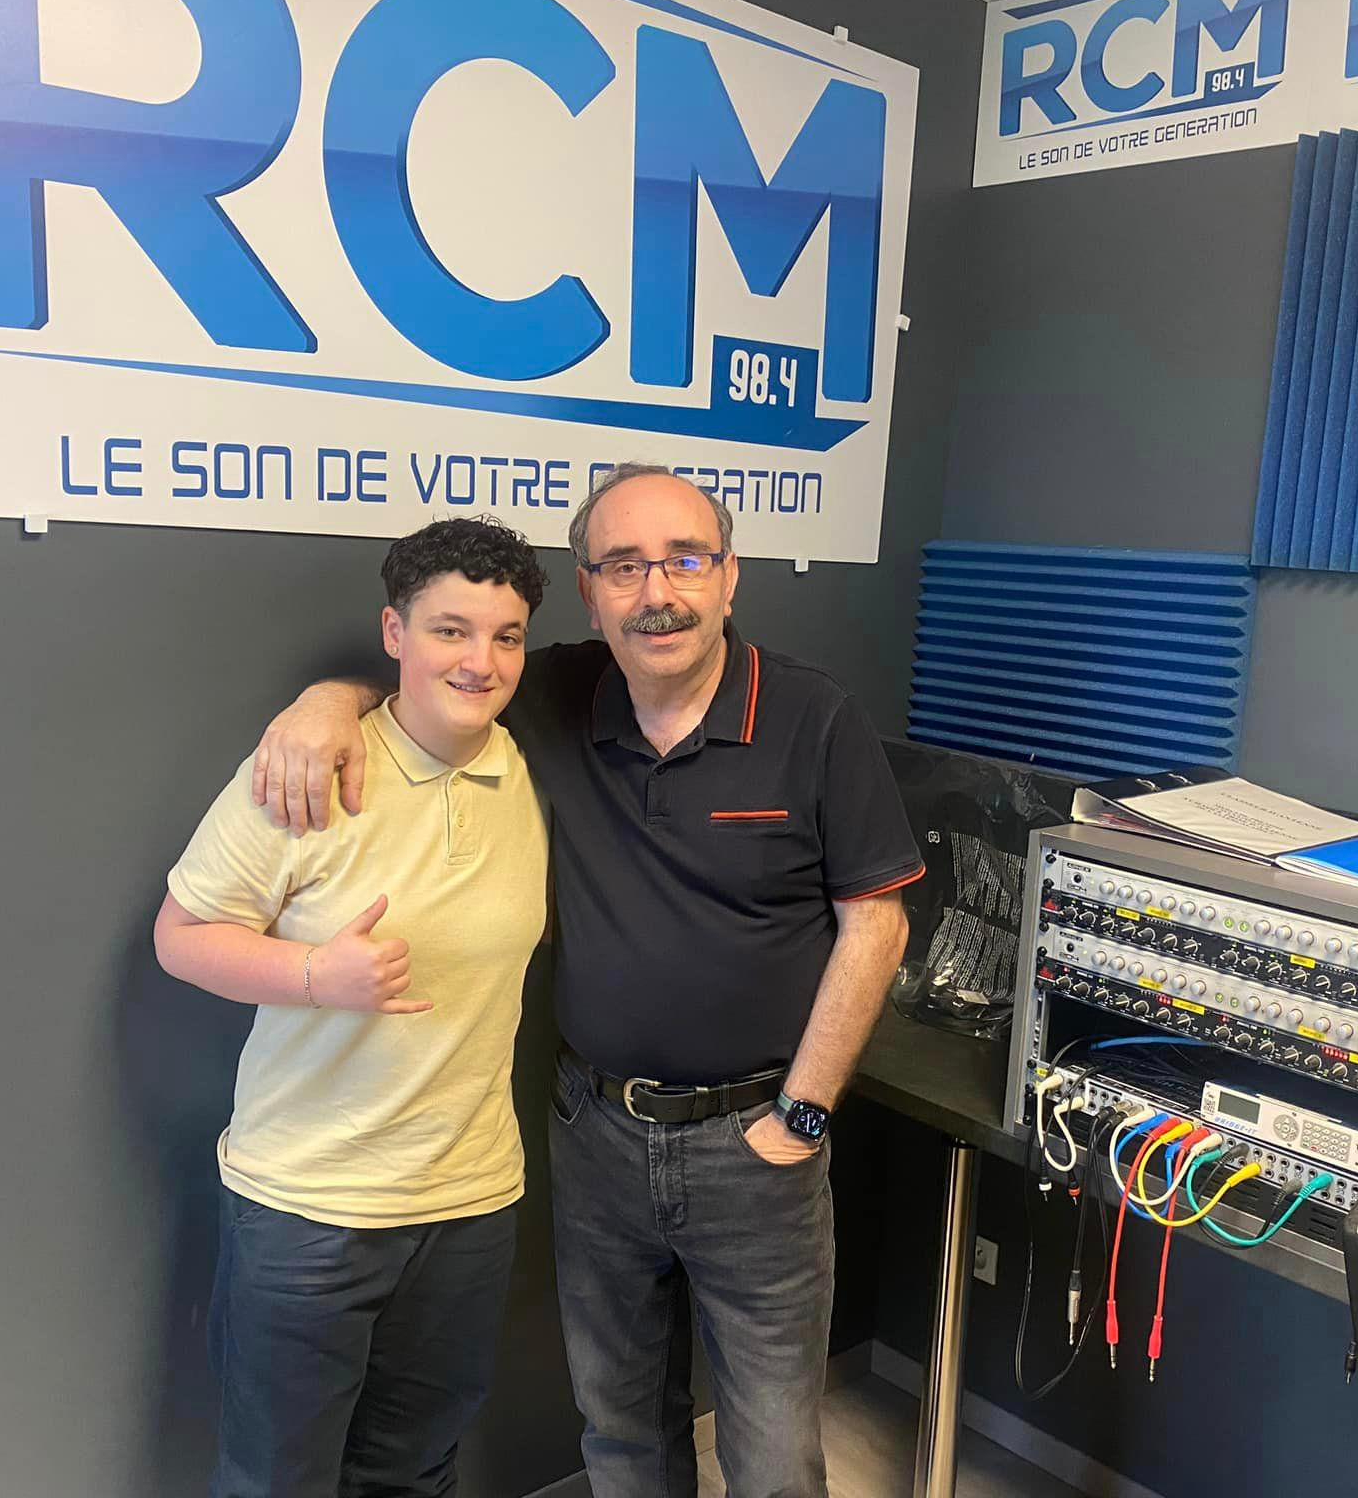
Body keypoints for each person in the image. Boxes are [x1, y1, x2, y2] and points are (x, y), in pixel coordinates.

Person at [248, 465, 922, 1497]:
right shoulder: (555, 692)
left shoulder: (811, 718)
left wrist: (802, 1115)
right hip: (596, 1134)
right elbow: (428, 670)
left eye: (685, 561)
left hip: (757, 1147)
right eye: (623, 566)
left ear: (729, 576)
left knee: (773, 1452)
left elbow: (875, 922)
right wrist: (321, 703)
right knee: (619, 1428)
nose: (658, 593)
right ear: (590, 590)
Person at [153, 517, 551, 1498]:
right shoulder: (308, 771)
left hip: (470, 1204)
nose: (480, 660)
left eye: (505, 636)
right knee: (277, 1481)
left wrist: (338, 690)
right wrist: (312, 977)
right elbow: (180, 935)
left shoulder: (527, 764)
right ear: (394, 631)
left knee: (415, 1472)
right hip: (310, 1209)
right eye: (449, 630)